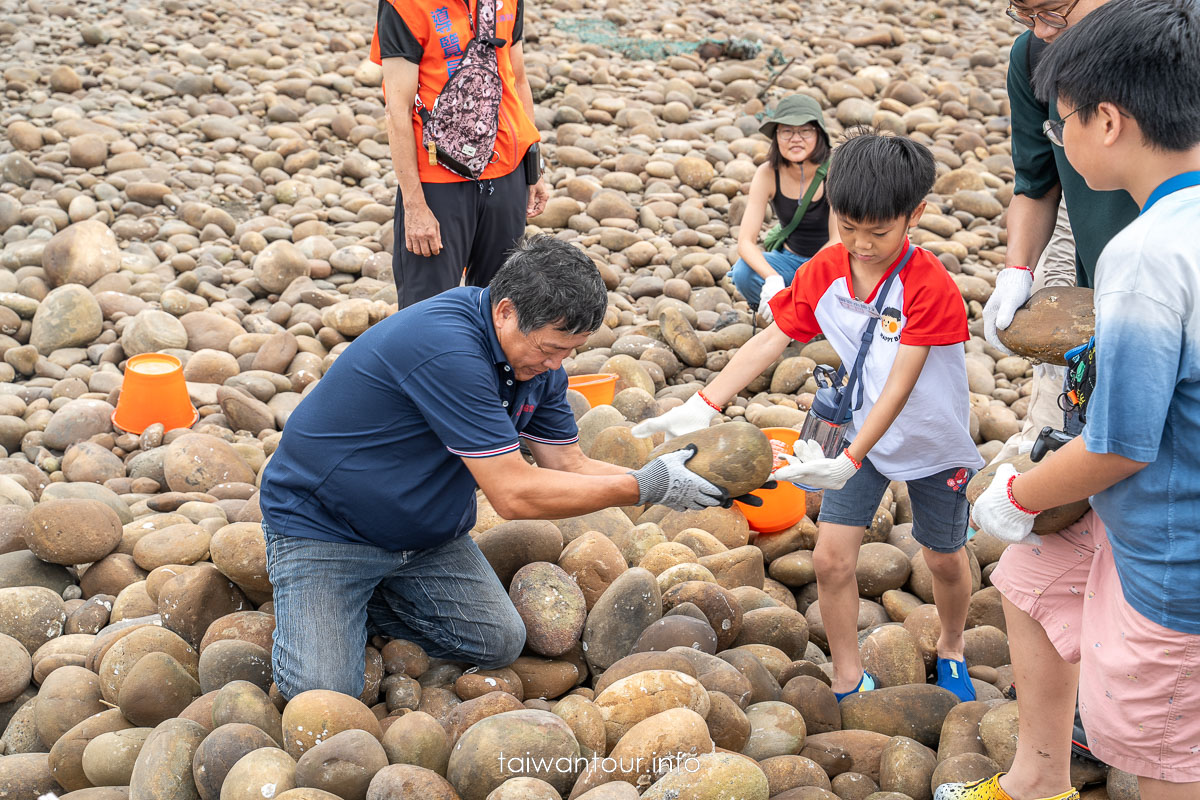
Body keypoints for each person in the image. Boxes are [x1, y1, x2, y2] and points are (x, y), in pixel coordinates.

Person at [258, 236, 728, 699]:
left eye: (569, 351)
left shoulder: (537, 368)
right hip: (325, 527)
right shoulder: (449, 351)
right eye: (548, 348)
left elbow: (567, 462)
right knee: (322, 692)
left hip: (423, 539)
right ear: (504, 311)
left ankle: (367, 600)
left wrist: (674, 475)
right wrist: (640, 489)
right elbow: (512, 495)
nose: (556, 365)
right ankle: (318, 598)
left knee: (498, 642)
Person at [942, 3, 1200, 799]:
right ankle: (1036, 779)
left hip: (1168, 564)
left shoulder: (1144, 256)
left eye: (1063, 127)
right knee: (1032, 577)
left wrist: (1013, 494)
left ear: (1109, 121)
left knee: (1163, 766)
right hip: (1147, 517)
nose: (1057, 143)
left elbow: (1122, 444)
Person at [634, 130, 985, 702]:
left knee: (944, 559)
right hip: (855, 430)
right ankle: (849, 678)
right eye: (848, 228)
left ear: (915, 215)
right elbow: (773, 340)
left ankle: (951, 647)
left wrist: (848, 458)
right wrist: (702, 404)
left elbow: (902, 384)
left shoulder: (932, 285)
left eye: (879, 232)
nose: (862, 245)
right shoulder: (827, 268)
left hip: (929, 437)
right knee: (829, 558)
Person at [983, 0, 1138, 458]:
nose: (1041, 30)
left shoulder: (1175, 38)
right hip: (1094, 268)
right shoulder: (1032, 56)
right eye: (1023, 13)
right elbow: (1035, 183)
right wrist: (1017, 271)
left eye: (1051, 11)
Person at [370, 0, 549, 308]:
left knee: (500, 305)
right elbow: (396, 111)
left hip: (507, 173)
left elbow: (517, 79)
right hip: (438, 179)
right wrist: (415, 206)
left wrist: (533, 168)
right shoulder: (405, 5)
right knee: (426, 309)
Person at [731, 94, 838, 323]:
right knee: (743, 273)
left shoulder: (835, 170)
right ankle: (788, 319)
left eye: (805, 131)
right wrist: (772, 278)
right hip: (790, 258)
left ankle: (814, 319)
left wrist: (802, 280)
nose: (795, 139)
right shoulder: (768, 173)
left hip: (830, 264)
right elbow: (745, 242)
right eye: (787, 131)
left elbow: (837, 240)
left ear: (818, 134)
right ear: (776, 136)